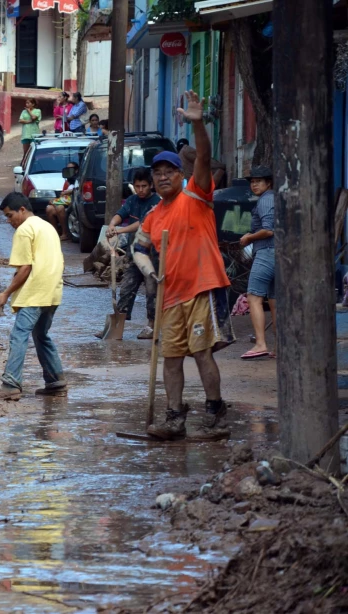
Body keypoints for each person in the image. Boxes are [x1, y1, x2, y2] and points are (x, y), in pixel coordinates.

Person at [132, 90, 235, 441]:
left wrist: (199, 124)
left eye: (168, 171)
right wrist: (150, 271)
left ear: (180, 175)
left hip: (203, 286)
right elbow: (139, 248)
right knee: (171, 358)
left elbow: (204, 157)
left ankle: (217, 414)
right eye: (156, 173)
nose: (162, 177)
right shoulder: (152, 215)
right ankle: (175, 418)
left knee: (202, 353)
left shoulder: (196, 193)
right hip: (171, 294)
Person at [0, 192, 66, 401]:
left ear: (22, 210)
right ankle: (55, 381)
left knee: (19, 335)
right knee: (40, 335)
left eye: (9, 215)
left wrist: (6, 293)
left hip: (35, 292)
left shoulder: (24, 230)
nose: (9, 221)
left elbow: (25, 268)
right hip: (52, 290)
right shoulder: (47, 227)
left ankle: (11, 384)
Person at [101, 168, 162, 339]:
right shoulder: (132, 200)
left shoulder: (156, 203)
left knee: (152, 291)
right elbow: (121, 214)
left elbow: (142, 224)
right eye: (138, 186)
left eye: (144, 186)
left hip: (152, 256)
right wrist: (113, 224)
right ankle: (116, 325)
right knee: (127, 287)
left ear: (151, 185)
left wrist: (119, 231)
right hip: (134, 253)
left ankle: (151, 326)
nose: (141, 189)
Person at [239, 165, 276, 360]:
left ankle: (260, 343)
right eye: (252, 182)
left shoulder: (266, 200)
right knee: (275, 301)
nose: (254, 185)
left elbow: (269, 230)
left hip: (266, 252)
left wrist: (249, 238)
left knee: (253, 297)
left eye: (258, 181)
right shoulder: (274, 198)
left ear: (268, 182)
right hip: (277, 254)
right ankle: (279, 347)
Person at [46, 161, 79, 242]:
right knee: (49, 208)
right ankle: (55, 233)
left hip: (73, 203)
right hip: (65, 201)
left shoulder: (79, 179)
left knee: (60, 208)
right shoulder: (67, 181)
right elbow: (63, 194)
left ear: (76, 170)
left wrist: (68, 192)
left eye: (70, 169)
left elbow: (76, 190)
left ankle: (65, 233)